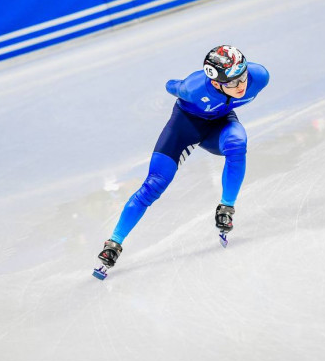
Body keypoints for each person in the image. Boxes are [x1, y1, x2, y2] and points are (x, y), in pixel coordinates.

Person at [96, 45, 270, 271]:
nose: (241, 86)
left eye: (242, 77)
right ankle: (114, 243)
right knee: (154, 184)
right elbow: (172, 85)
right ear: (215, 83)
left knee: (237, 144)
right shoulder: (193, 87)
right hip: (185, 126)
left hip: (220, 126)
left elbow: (240, 84)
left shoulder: (259, 77)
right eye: (232, 83)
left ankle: (226, 207)